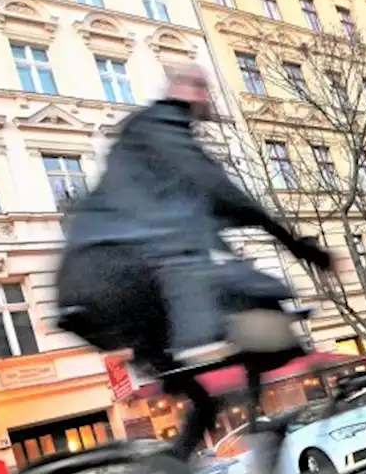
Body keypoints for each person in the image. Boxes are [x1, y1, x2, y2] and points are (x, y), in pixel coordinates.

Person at [56, 61, 332, 377]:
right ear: (195, 91)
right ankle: (218, 346)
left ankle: (203, 414)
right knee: (264, 300)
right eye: (207, 93)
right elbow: (221, 191)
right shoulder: (163, 126)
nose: (210, 102)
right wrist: (296, 244)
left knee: (187, 382)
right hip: (125, 274)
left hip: (86, 290)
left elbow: (202, 215)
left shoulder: (137, 146)